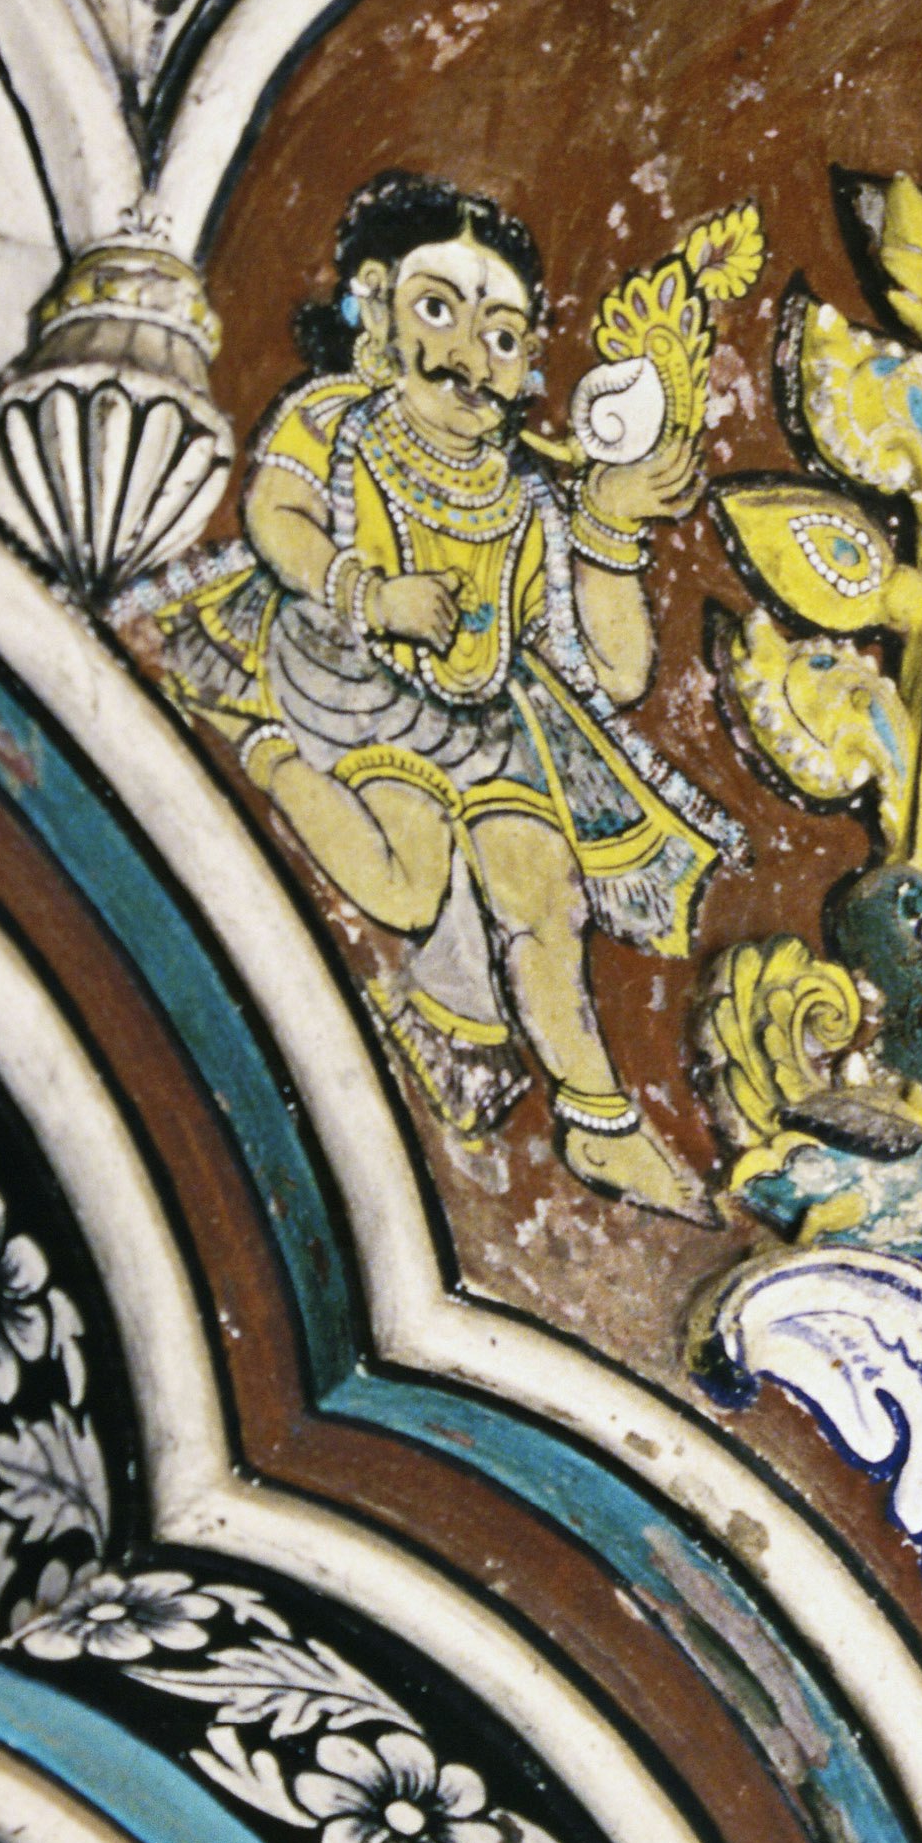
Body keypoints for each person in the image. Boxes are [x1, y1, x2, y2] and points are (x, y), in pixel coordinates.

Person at [145, 172, 730, 1213]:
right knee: (410, 887)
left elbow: (615, 671)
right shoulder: (341, 417)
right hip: (344, 694)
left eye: (503, 335)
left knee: (543, 890)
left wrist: (608, 526)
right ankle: (266, 755)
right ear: (375, 307)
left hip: (482, 724)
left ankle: (598, 1121)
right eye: (438, 309)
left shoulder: (522, 495)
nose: (468, 353)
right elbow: (279, 513)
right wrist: (367, 594)